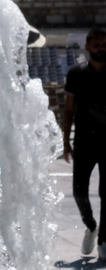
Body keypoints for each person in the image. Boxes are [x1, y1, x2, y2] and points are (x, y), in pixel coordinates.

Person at [64, 27, 106, 259]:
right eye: (97, 44)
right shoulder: (76, 74)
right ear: (88, 47)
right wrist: (65, 142)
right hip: (83, 140)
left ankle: (104, 239)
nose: (102, 48)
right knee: (79, 192)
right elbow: (69, 110)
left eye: (105, 44)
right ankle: (91, 226)